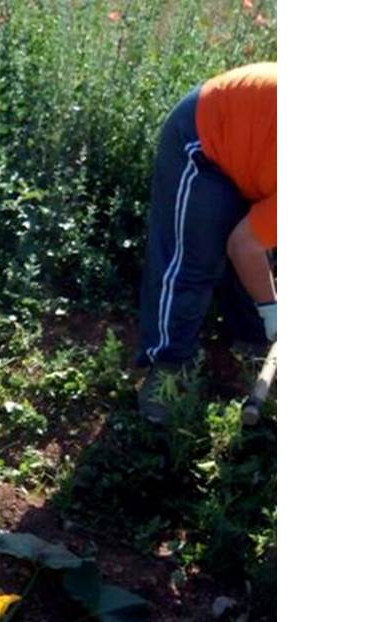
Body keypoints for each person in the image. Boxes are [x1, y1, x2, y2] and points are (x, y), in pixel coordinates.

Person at [135, 62, 276, 423]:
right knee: (193, 261)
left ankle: (255, 342)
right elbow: (245, 246)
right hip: (204, 135)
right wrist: (276, 312)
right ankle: (167, 367)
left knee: (260, 254)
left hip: (254, 148)